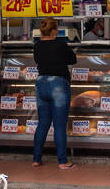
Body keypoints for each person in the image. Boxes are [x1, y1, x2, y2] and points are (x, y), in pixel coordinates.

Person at [32, 18, 77, 170]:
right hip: (58, 84)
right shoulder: (60, 44)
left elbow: (37, 60)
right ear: (53, 31)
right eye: (57, 28)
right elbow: (73, 59)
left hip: (40, 83)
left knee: (43, 123)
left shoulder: (37, 46)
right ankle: (62, 161)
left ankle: (36, 159)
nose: (57, 31)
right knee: (59, 125)